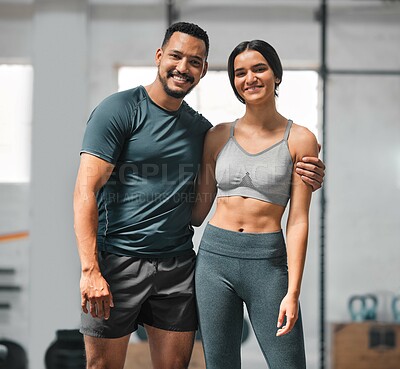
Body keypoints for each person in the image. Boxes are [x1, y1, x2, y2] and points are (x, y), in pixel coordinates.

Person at [73, 22, 325, 369]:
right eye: (176, 56)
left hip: (186, 264)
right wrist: (90, 269)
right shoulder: (127, 112)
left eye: (195, 61)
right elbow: (88, 190)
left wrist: (308, 175)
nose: (183, 67)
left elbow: (286, 214)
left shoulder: (203, 130)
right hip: (137, 260)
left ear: (204, 70)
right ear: (160, 56)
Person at [192, 39, 319, 369]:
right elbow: (197, 211)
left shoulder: (301, 139)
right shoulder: (217, 136)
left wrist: (292, 292)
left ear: (276, 74)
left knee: (288, 364)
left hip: (267, 264)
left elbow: (298, 220)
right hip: (214, 259)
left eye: (259, 68)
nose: (250, 78)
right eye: (240, 72)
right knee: (220, 365)